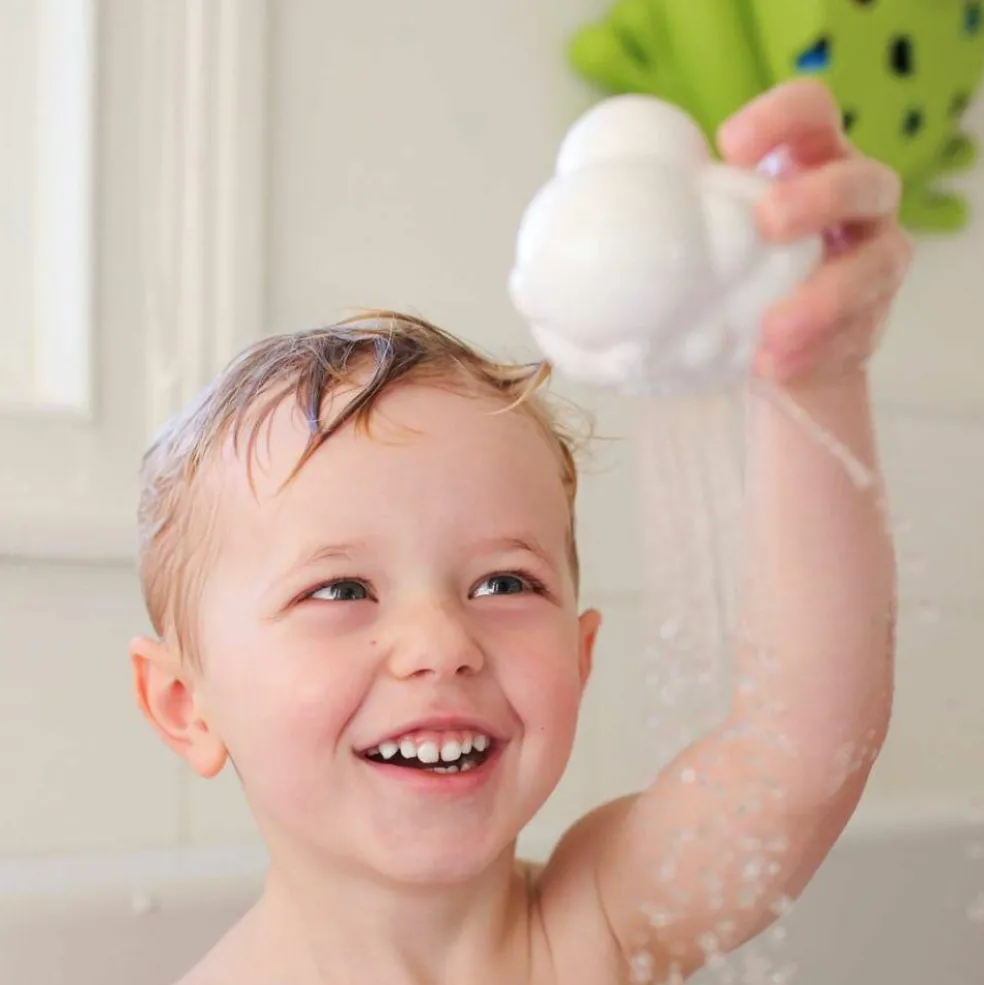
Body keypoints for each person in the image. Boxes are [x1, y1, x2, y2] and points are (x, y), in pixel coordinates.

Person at [130, 79, 911, 985]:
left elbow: (803, 740)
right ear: (187, 704)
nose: (439, 643)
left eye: (505, 582)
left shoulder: (599, 919)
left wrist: (813, 375)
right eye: (341, 590)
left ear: (581, 657)